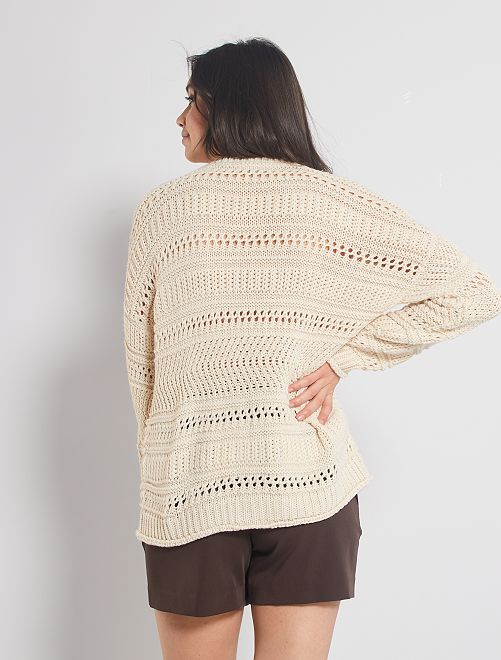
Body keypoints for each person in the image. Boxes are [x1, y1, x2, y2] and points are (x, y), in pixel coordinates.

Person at [123, 37, 501, 660]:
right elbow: (474, 290)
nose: (180, 117)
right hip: (308, 484)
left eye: (192, 100)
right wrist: (338, 360)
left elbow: (144, 368)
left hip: (196, 488)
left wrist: (344, 359)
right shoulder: (332, 203)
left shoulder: (164, 212)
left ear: (229, 105)